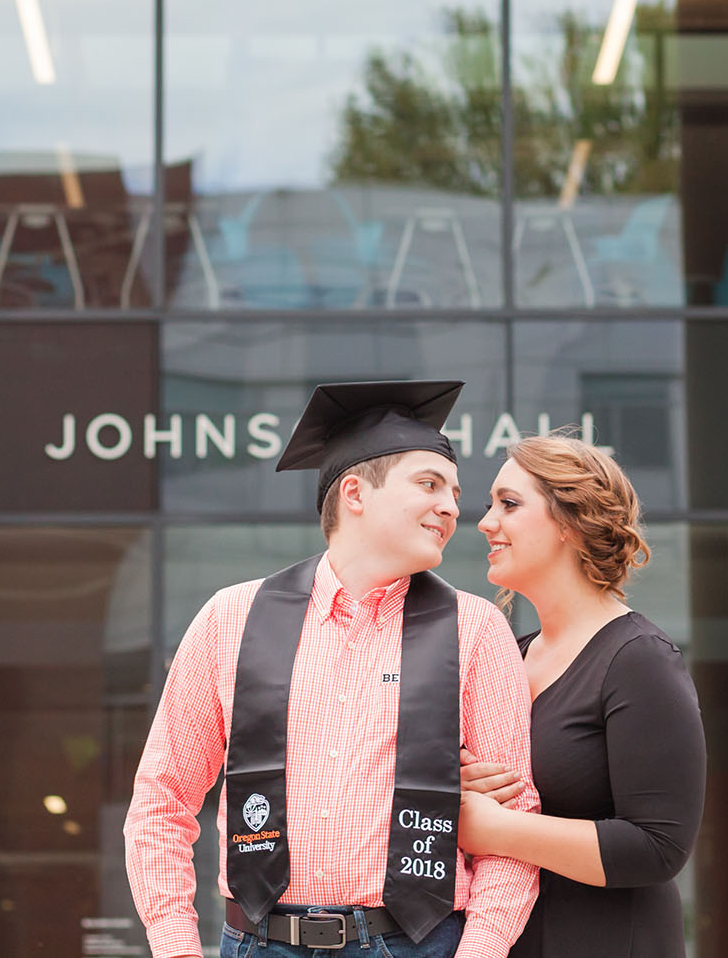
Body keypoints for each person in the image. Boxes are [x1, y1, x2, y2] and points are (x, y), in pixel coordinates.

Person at [125, 380, 542, 958]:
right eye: (429, 484)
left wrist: (482, 951)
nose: (451, 506)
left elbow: (514, 821)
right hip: (258, 945)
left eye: (453, 491)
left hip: (417, 944)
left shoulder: (474, 631)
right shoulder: (231, 619)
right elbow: (162, 799)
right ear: (354, 493)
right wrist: (175, 947)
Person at [455, 432, 706, 958]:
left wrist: (498, 829)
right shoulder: (509, 654)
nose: (485, 523)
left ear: (570, 523)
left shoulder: (640, 659)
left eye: (509, 504)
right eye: (489, 505)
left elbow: (658, 847)